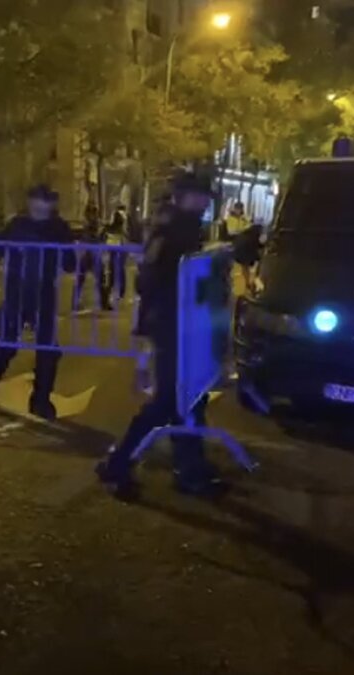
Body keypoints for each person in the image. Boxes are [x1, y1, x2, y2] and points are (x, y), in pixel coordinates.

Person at [96, 172, 226, 498]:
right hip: (171, 325)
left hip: (182, 323)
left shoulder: (185, 227)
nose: (205, 202)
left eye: (206, 196)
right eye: (199, 196)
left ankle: (189, 467)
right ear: (181, 196)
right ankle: (119, 464)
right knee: (170, 401)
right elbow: (151, 281)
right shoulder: (170, 231)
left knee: (190, 399)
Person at [0, 185, 75, 420]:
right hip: (17, 294)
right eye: (37, 200)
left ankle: (41, 400)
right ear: (30, 202)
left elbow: (70, 262)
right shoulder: (17, 225)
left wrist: (76, 256)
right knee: (7, 344)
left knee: (48, 351)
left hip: (43, 295)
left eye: (46, 201)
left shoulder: (58, 228)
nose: (41, 206)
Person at [74, 203, 113, 311]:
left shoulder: (98, 225)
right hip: (86, 253)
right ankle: (75, 303)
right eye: (91, 213)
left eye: (94, 213)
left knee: (101, 280)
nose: (92, 215)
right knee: (81, 279)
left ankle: (104, 303)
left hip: (96, 253)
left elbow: (103, 238)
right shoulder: (85, 225)